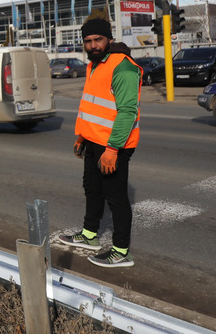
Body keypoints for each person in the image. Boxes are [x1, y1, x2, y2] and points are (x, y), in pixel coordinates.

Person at [57, 17, 143, 268]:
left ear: (109, 40)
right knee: (92, 188)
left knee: (115, 197)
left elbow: (127, 112)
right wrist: (83, 136)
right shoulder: (94, 65)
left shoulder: (123, 67)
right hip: (94, 141)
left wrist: (112, 150)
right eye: (88, 41)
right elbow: (93, 105)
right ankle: (89, 235)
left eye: (98, 40)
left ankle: (121, 251)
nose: (93, 45)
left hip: (114, 145)